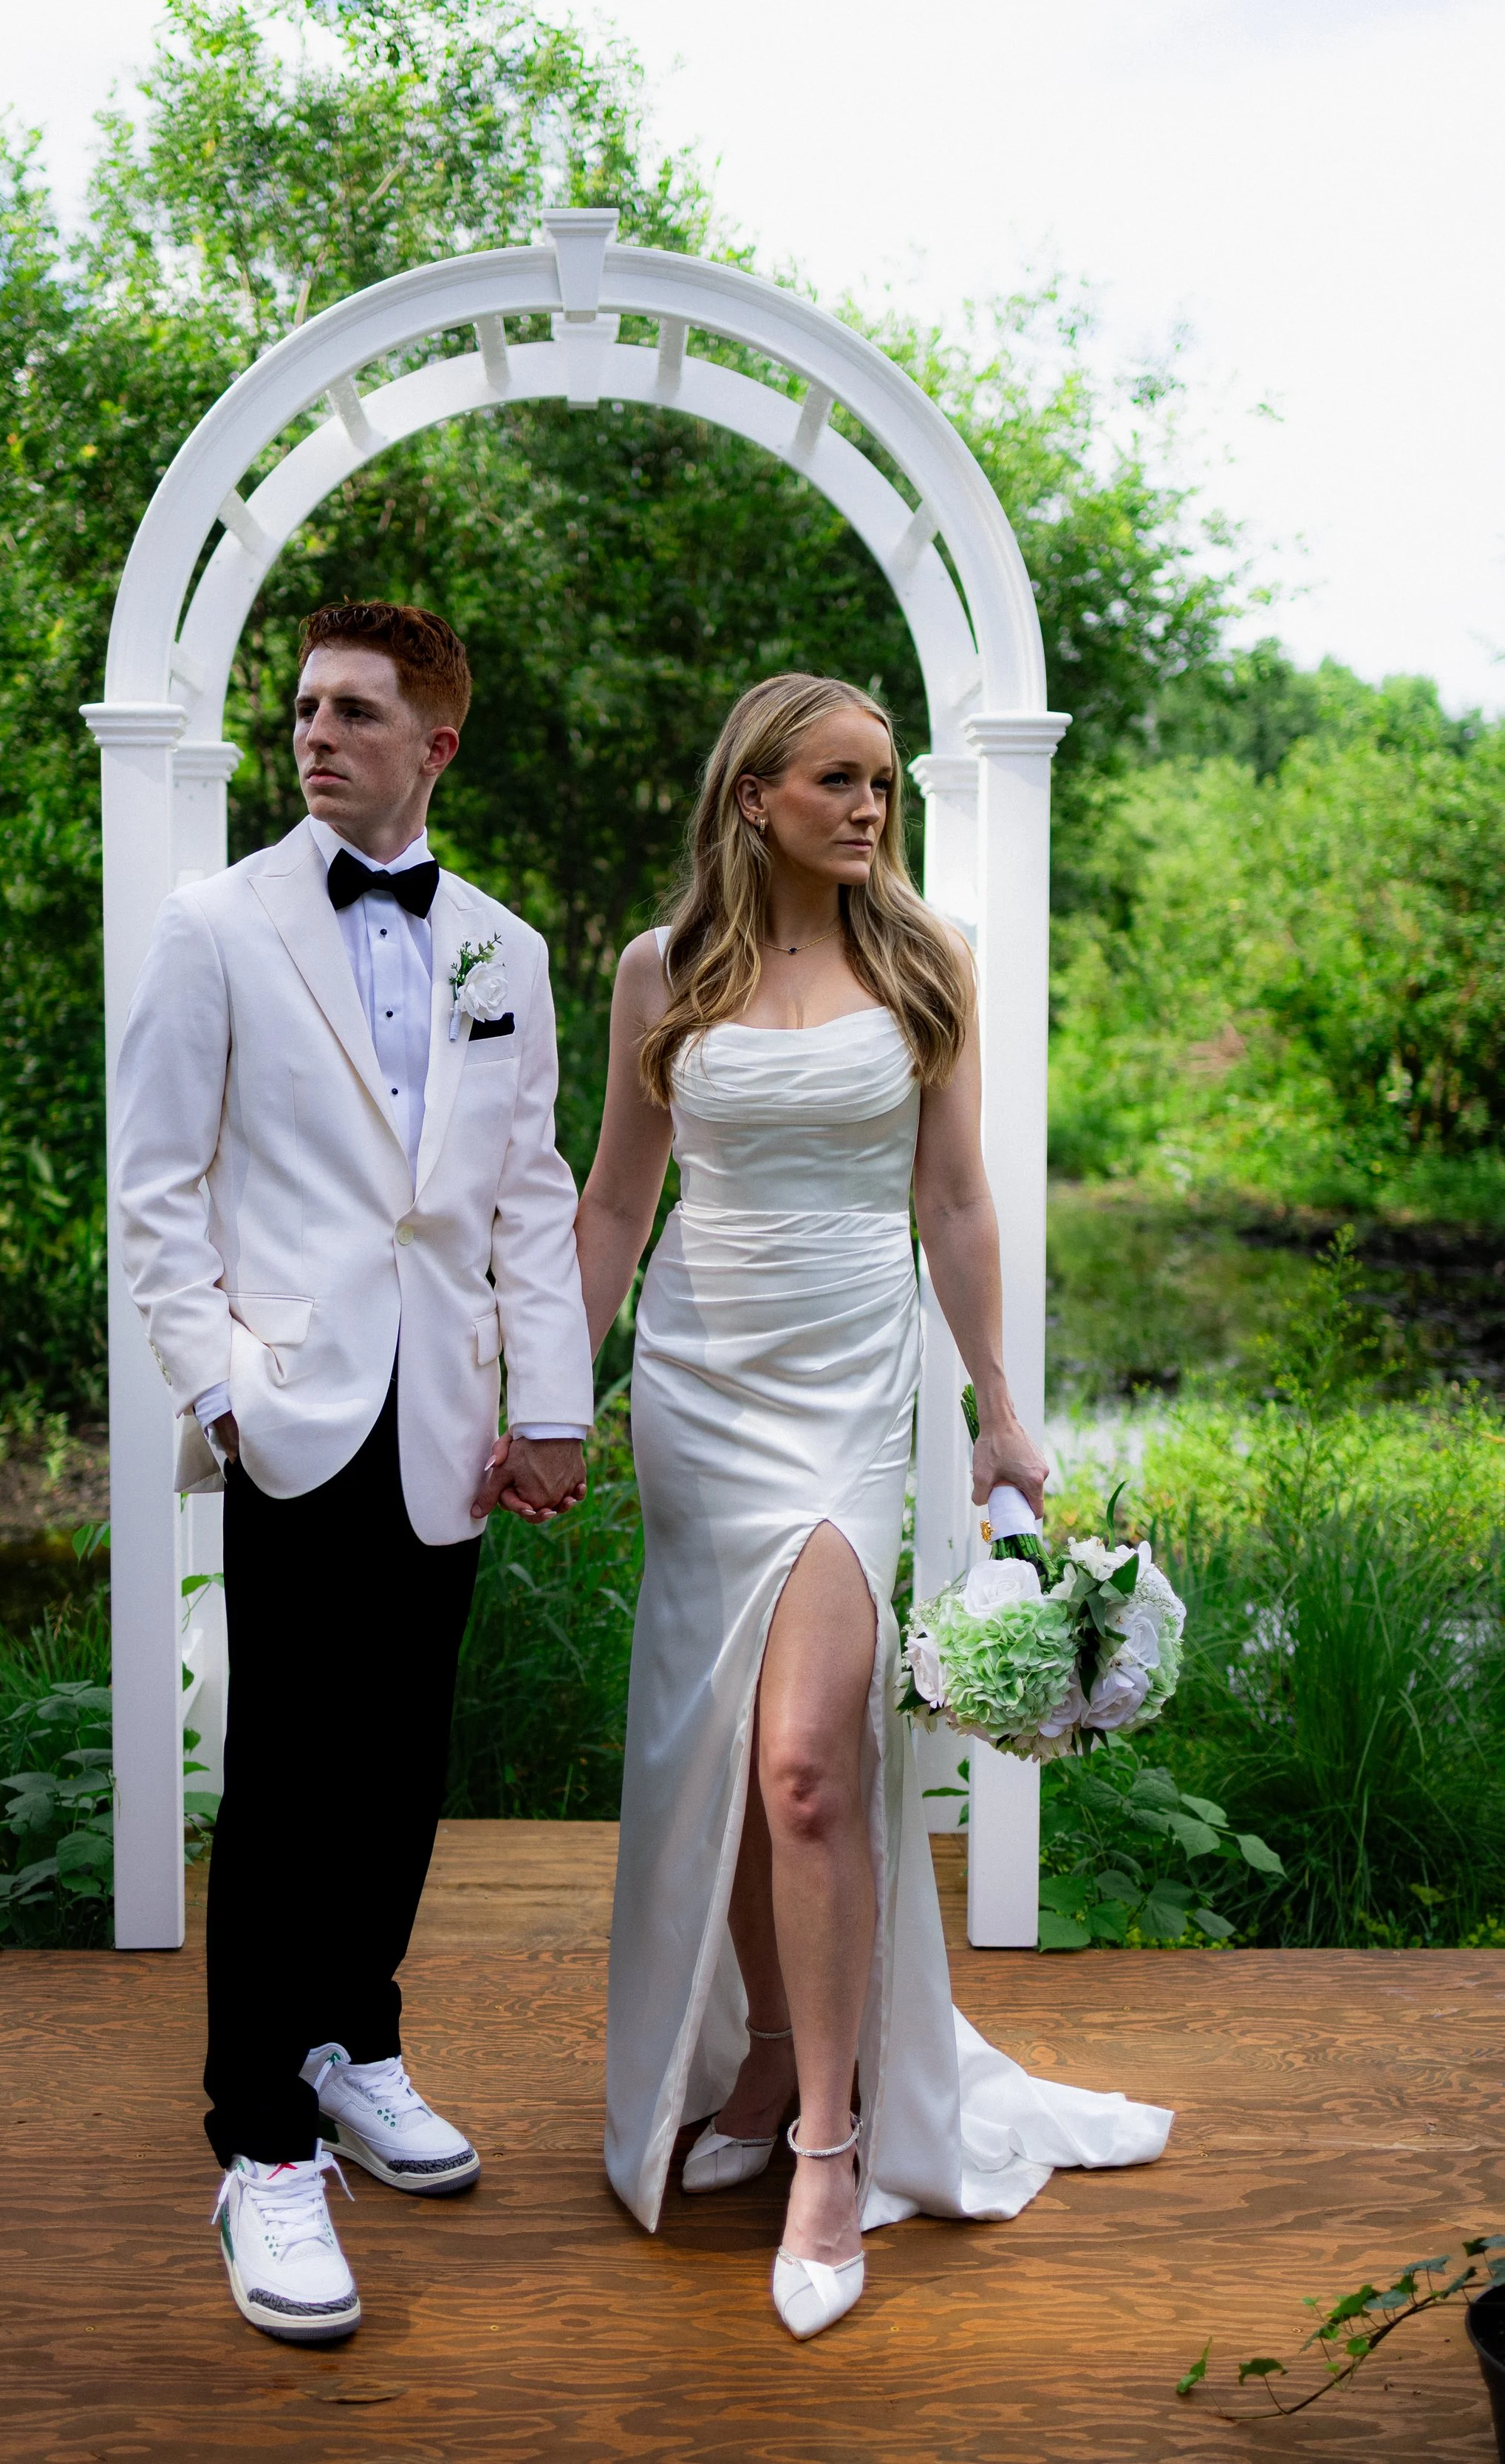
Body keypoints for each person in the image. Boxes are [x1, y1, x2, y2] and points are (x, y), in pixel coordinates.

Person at [574, 673, 1171, 2341]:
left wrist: (999, 1409)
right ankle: (760, 2058)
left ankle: (833, 2142)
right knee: (732, 1759)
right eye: (836, 780)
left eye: (884, 784)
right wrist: (546, 1399)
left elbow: (957, 1197)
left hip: (847, 1390)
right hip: (696, 1391)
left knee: (808, 1763)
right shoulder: (655, 971)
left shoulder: (922, 960)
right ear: (752, 792)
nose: (867, 808)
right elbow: (618, 1201)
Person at [112, 601, 594, 2344]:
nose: (316, 732)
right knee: (289, 1775)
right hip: (293, 1408)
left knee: (399, 1761)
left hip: (449, 1419)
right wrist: (219, 1391)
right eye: (305, 706)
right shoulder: (214, 923)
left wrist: (552, 1400)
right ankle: (259, 2147)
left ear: (434, 743)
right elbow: (157, 1185)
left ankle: (353, 2044)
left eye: (357, 710)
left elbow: (524, 1194)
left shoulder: (505, 950)